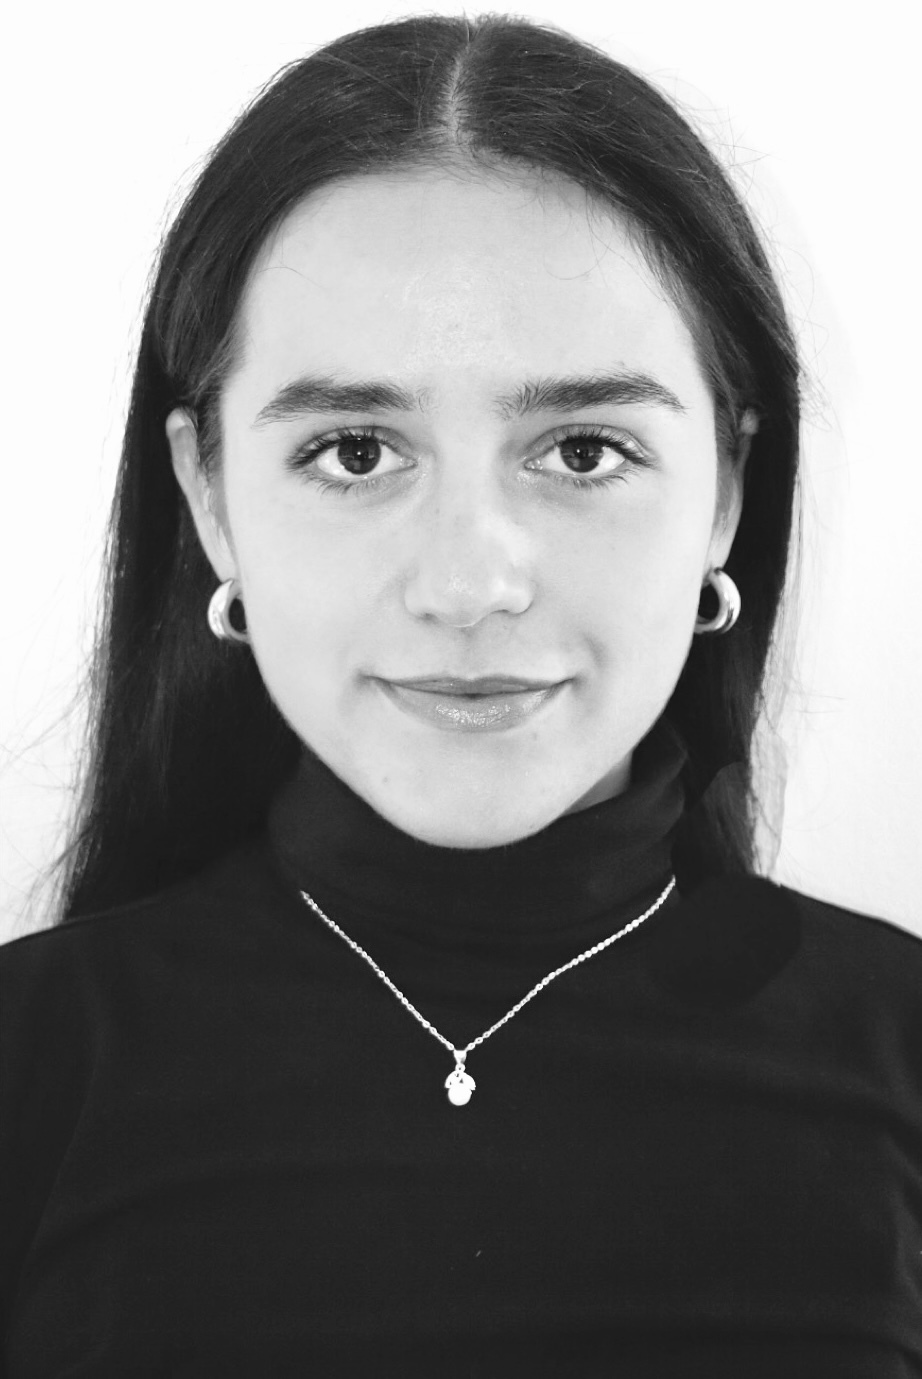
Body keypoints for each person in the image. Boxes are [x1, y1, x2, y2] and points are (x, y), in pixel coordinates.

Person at [1, 13, 920, 1377]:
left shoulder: (899, 1053)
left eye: (584, 450)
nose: (468, 584)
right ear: (210, 496)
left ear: (725, 492)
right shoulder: (33, 1069)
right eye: (354, 450)